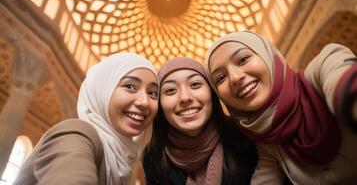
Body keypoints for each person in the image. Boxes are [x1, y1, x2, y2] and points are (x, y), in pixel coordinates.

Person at [204, 31, 357, 184]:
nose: (235, 78)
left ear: (268, 56)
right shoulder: (264, 138)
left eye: (243, 59)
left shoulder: (324, 64)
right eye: (220, 78)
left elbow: (343, 84)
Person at [13, 52, 159, 185]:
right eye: (130, 86)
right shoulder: (77, 133)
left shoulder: (124, 155)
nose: (144, 101)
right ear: (103, 90)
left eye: (152, 93)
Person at [142, 57, 258, 185]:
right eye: (170, 90)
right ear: (160, 106)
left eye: (195, 84)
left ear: (211, 93)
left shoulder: (245, 137)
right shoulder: (152, 158)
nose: (185, 97)